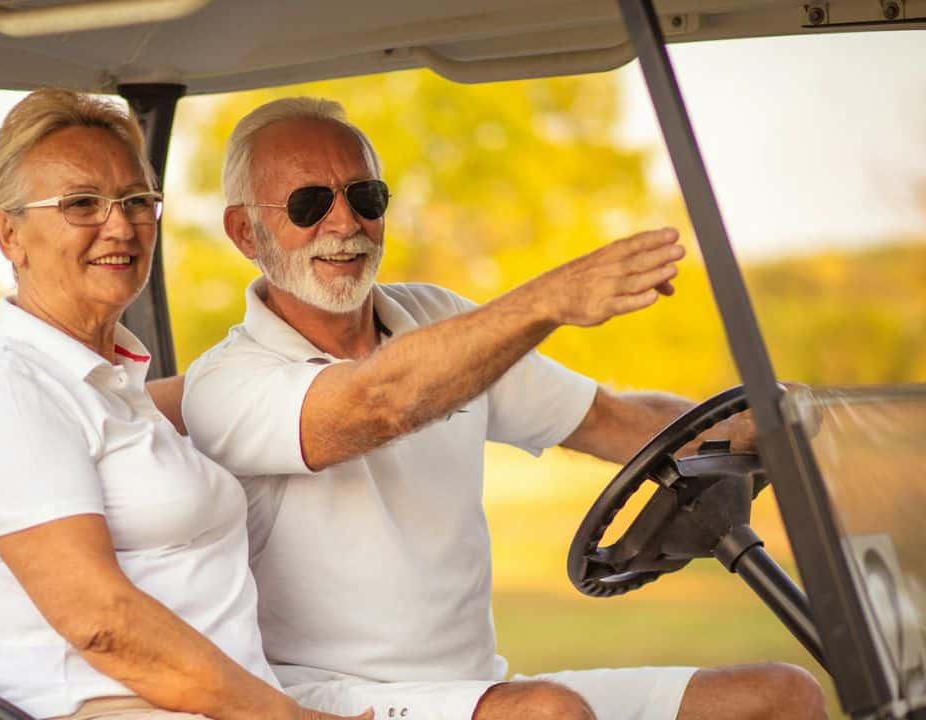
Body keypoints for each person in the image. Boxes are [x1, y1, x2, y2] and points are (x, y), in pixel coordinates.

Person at [180, 97, 828, 720]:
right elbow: (376, 402)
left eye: (365, 197)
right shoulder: (226, 382)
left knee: (781, 698)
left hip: (472, 689)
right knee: (547, 714)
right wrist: (550, 300)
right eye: (309, 203)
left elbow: (610, 420)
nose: (345, 223)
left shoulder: (438, 320)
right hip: (324, 698)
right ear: (245, 231)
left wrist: (756, 425)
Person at [0, 88, 372, 720]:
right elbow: (103, 624)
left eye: (137, 201)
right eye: (81, 204)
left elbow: (236, 396)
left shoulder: (110, 385)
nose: (120, 224)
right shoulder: (14, 398)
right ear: (9, 234)